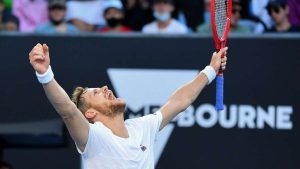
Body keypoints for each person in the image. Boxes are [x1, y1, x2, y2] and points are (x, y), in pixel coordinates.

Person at [28, 42, 227, 169]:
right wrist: (45, 74)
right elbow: (68, 111)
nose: (105, 87)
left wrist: (210, 70)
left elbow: (179, 102)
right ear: (89, 113)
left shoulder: (142, 128)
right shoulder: (93, 137)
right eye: (96, 92)